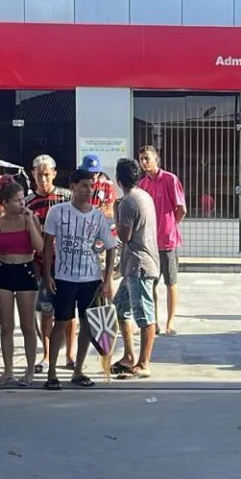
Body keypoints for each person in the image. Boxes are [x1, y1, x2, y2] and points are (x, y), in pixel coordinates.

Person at [42, 168, 118, 390]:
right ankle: (52, 372)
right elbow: (47, 245)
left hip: (91, 278)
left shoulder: (98, 216)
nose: (89, 190)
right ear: (73, 187)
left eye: (91, 185)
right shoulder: (57, 212)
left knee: (87, 324)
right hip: (64, 277)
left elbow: (111, 246)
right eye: (84, 185)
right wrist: (47, 274)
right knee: (61, 322)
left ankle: (78, 370)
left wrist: (107, 279)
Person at [0, 180, 44, 386]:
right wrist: (2, 261)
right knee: (6, 326)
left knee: (28, 325)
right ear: (5, 203)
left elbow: (39, 247)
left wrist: (29, 223)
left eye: (22, 199)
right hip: (4, 271)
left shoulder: (31, 219)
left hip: (25, 270)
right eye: (17, 200)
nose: (22, 204)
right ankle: (8, 369)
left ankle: (30, 369)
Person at [111, 158, 159, 378]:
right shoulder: (144, 196)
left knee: (144, 315)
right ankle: (129, 356)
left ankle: (143, 362)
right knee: (120, 308)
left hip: (139, 265)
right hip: (136, 265)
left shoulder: (127, 203)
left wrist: (115, 212)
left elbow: (125, 236)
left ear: (118, 179)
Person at [26, 155, 74, 372]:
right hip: (41, 265)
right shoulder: (27, 203)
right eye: (39, 175)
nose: (43, 179)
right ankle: (46, 356)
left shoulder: (67, 198)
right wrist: (35, 266)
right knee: (45, 310)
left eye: (47, 174)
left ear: (54, 174)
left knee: (69, 311)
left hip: (67, 265)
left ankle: (70, 354)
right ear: (32, 174)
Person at [136, 146, 186, 336]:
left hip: (167, 241)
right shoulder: (142, 184)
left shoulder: (170, 180)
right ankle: (153, 321)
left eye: (147, 158)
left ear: (156, 159)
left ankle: (170, 322)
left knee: (171, 282)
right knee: (150, 284)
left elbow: (181, 208)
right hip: (149, 243)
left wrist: (171, 225)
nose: (144, 162)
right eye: (141, 159)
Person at [80, 154, 117, 219]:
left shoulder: (106, 185)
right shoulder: (78, 185)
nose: (94, 175)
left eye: (96, 172)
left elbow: (111, 212)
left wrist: (94, 214)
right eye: (90, 172)